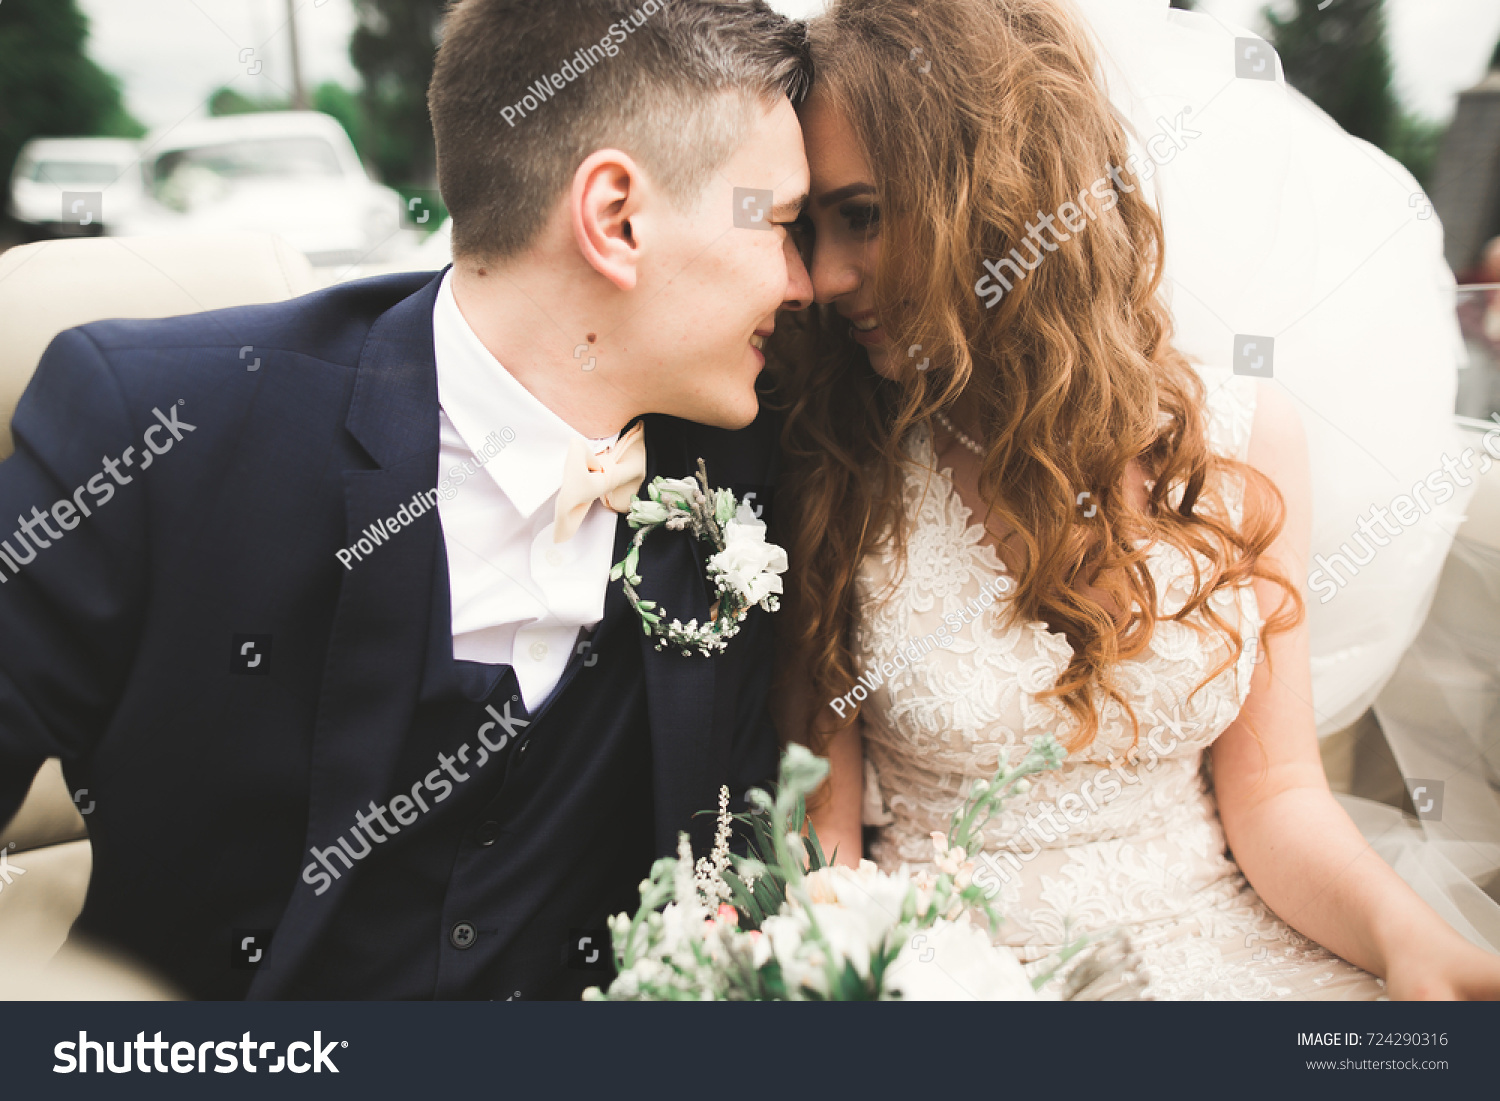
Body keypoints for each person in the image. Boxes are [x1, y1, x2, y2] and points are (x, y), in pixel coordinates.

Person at [0, 0, 813, 1000]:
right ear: (617, 219)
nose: (805, 282)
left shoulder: (740, 464)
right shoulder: (158, 438)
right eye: (779, 224)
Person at [770, 0, 1500, 1000]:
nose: (823, 277)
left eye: (862, 216)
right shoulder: (836, 458)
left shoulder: (1242, 442)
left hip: (1229, 950)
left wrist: (1406, 940)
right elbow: (824, 843)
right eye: (806, 228)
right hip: (955, 980)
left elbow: (1278, 796)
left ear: (998, 194)